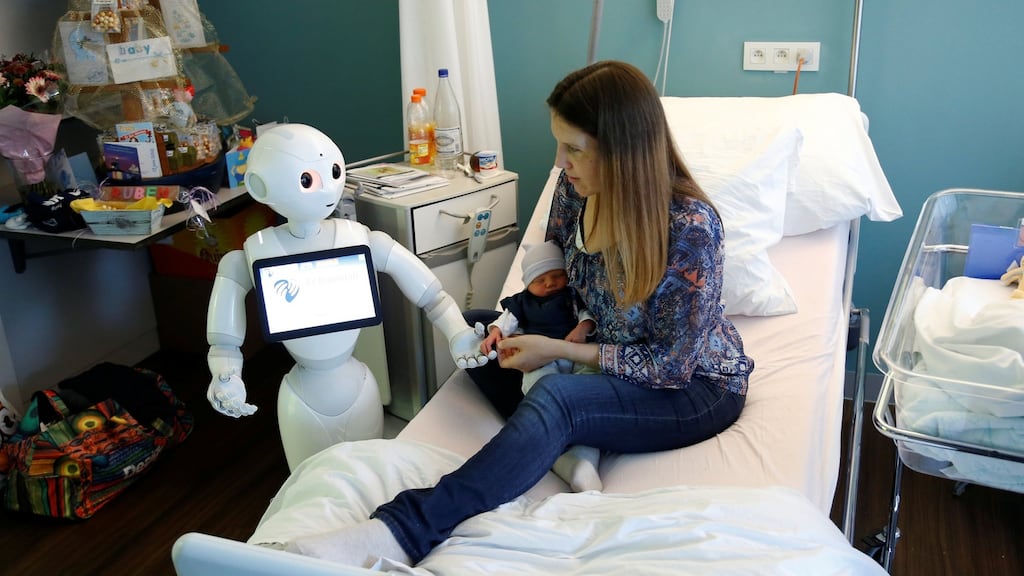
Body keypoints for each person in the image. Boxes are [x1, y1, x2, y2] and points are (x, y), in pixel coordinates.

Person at [283, 59, 753, 568]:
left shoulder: (690, 227)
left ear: (622, 153)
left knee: (557, 395)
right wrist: (518, 328)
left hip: (692, 388)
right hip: (593, 349)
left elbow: (672, 365)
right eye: (560, 144)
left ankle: (400, 530)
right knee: (481, 333)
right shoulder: (575, 191)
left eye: (574, 149)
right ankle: (565, 448)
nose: (560, 161)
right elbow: (561, 281)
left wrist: (558, 350)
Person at [480, 239, 602, 492]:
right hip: (538, 359)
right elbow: (505, 322)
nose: (549, 284)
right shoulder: (522, 302)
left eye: (557, 276)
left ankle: (584, 461)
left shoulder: (572, 295)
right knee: (540, 386)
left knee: (591, 388)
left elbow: (587, 316)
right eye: (540, 280)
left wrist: (583, 328)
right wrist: (494, 333)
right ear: (527, 282)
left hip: (576, 354)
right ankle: (556, 443)